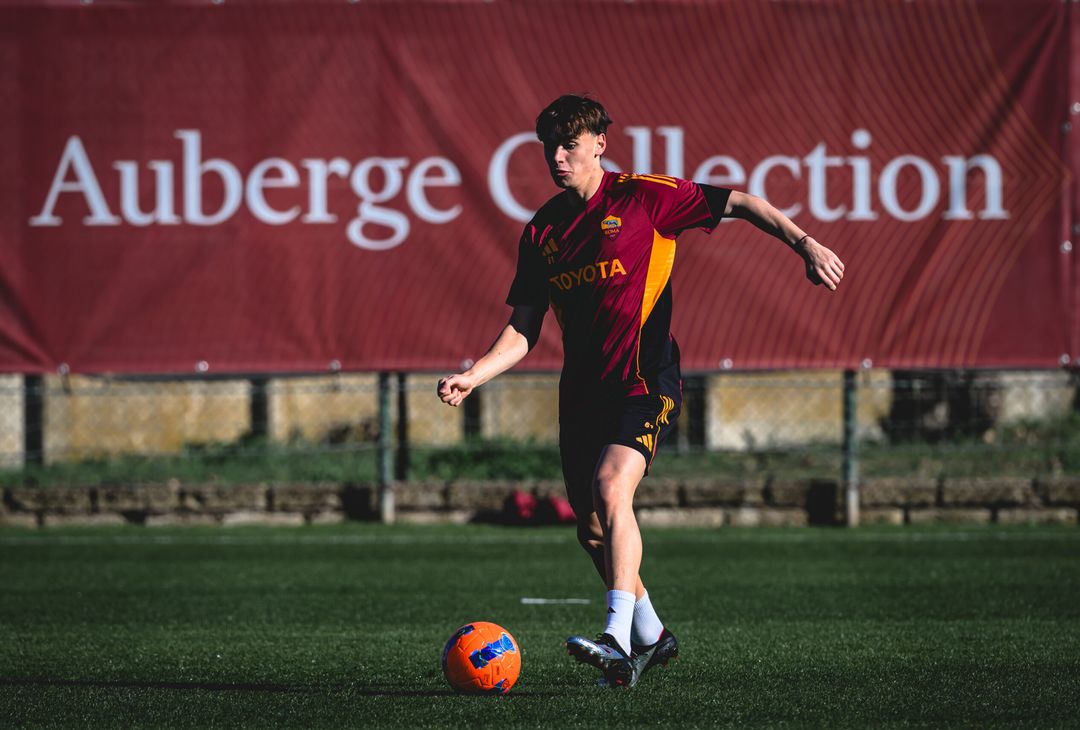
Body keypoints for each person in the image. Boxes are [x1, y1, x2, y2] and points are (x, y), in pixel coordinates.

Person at [438, 94, 845, 688]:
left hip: (643, 381)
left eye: (569, 146)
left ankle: (616, 640)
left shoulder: (642, 197)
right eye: (548, 147)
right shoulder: (543, 230)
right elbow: (525, 328)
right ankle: (654, 634)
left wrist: (804, 243)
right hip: (581, 396)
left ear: (599, 143)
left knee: (611, 487)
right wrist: (473, 375)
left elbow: (741, 202)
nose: (557, 157)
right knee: (593, 529)